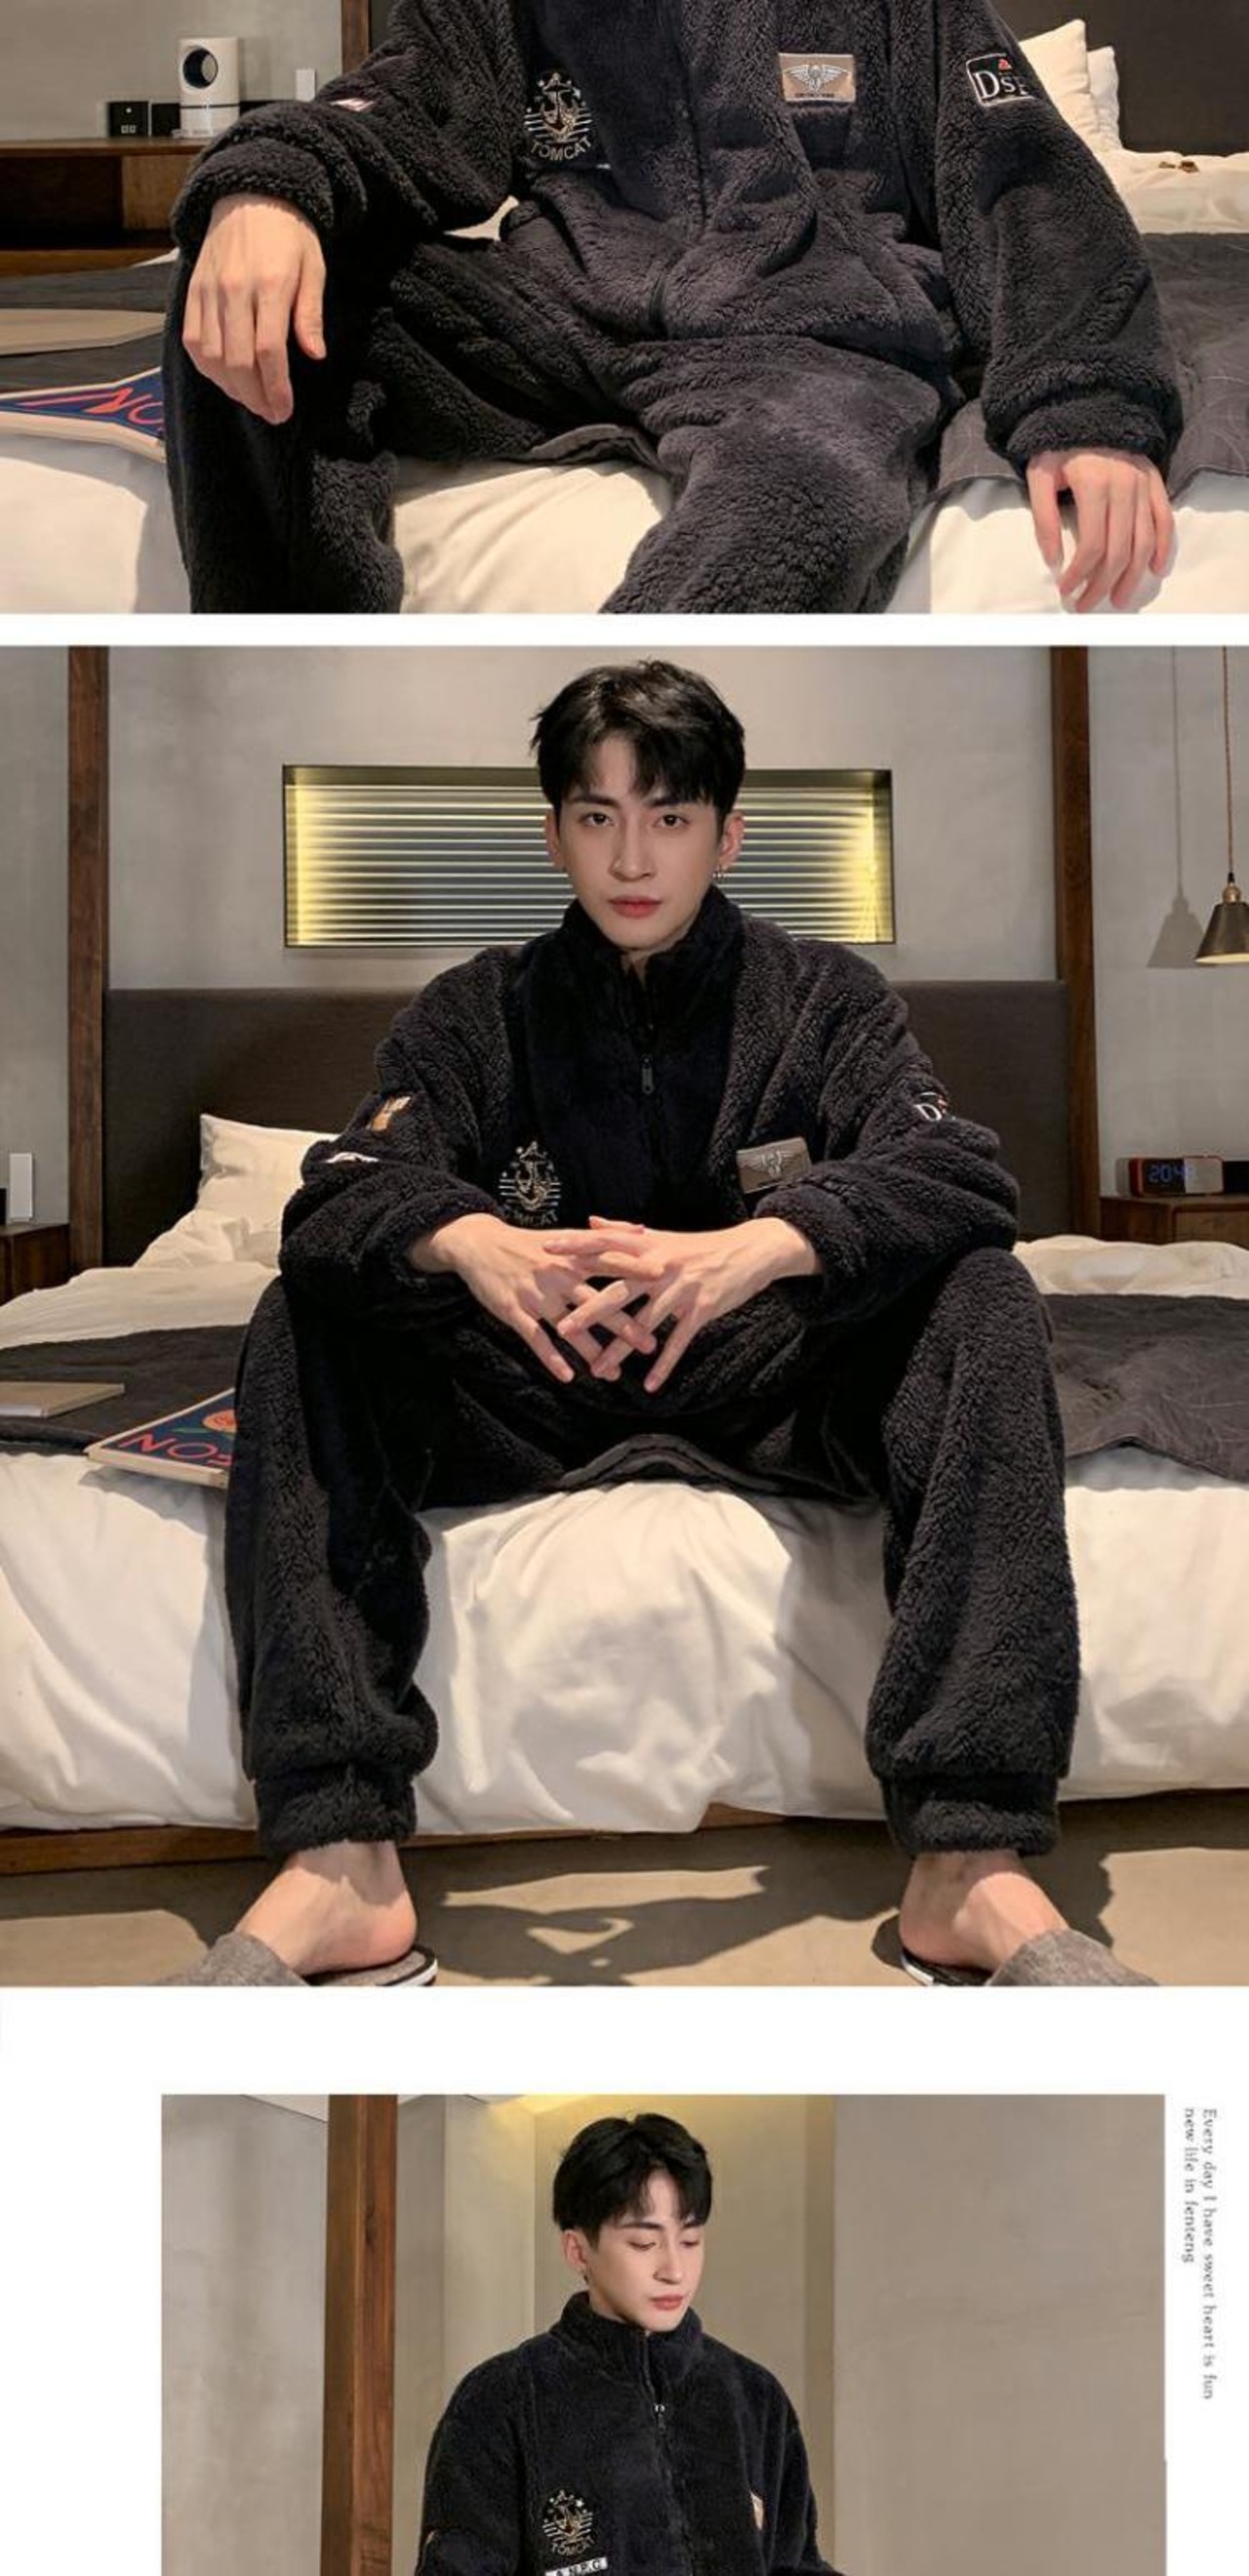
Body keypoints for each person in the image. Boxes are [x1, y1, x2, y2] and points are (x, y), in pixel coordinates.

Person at [172, 658, 1150, 1991]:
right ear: (553, 832)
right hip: (532, 1381)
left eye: (670, 817)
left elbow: (962, 1172)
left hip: (769, 1381)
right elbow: (338, 1192)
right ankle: (341, 1857)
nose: (632, 857)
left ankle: (967, 1860)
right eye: (597, 816)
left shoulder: (825, 1000)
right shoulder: (476, 1010)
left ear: (727, 833)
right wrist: (469, 1237)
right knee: (307, 1308)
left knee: (985, 1290)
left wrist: (765, 1243)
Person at [164, 0, 1180, 614]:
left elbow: (1020, 172)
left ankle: (612, 747)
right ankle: (304, 661)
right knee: (254, 291)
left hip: (809, 338)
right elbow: (410, 99)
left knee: (807, 488)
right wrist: (273, 186)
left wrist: (1086, 402)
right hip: (566, 309)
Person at [416, 2111, 839, 2575]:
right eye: (642, 2243)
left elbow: (797, 2564)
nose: (674, 2270)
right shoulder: (502, 2401)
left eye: (690, 2240)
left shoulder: (755, 2399)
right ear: (578, 2250)